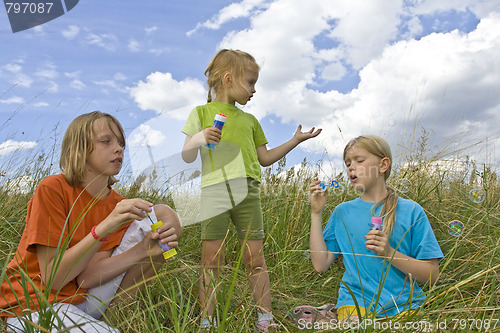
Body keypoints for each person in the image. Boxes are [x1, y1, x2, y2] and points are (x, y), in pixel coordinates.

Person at [0, 111, 181, 332]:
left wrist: (145, 250)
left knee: (161, 214)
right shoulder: (53, 190)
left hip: (84, 297)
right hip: (37, 303)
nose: (119, 149)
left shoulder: (117, 203)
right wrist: (106, 226)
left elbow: (88, 278)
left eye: (121, 143)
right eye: (106, 141)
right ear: (80, 148)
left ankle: (115, 319)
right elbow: (54, 280)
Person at [182, 49, 321, 332]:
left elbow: (265, 159)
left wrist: (295, 140)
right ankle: (207, 321)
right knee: (212, 261)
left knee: (255, 259)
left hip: (248, 192)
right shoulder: (200, 113)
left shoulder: (250, 121)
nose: (254, 90)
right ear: (229, 79)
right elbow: (186, 155)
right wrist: (198, 137)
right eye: (251, 82)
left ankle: (265, 319)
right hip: (215, 191)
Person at [309, 135, 443, 323]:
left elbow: (432, 274)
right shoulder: (342, 213)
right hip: (355, 303)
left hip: (406, 304)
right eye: (347, 163)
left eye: (359, 160)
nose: (351, 167)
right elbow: (320, 265)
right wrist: (316, 213)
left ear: (383, 165)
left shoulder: (412, 211)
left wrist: (389, 253)